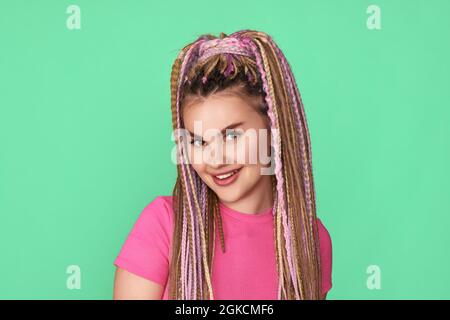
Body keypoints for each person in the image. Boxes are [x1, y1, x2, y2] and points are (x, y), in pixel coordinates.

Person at [113, 30, 332, 300]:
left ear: (272, 130)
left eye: (231, 136)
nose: (215, 159)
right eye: (198, 142)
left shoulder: (309, 239)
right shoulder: (164, 224)